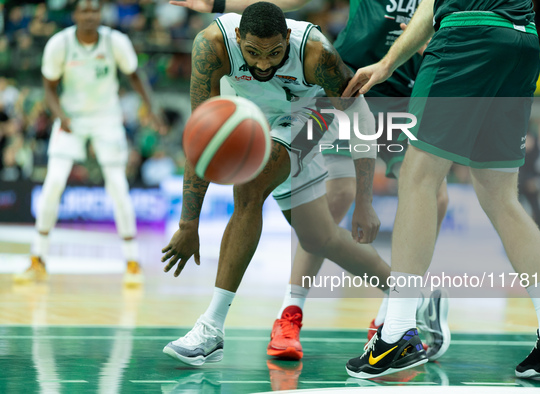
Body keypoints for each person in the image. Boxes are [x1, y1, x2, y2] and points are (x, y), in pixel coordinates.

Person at [170, 0, 450, 362]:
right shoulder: (211, 46)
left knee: (250, 188)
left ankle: (211, 328)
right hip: (256, 119)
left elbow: (360, 116)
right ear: (238, 38)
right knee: (322, 237)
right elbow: (200, 139)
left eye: (274, 53)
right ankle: (414, 296)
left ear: (287, 37)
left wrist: (364, 200)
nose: (263, 64)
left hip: (313, 112)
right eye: (253, 53)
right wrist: (188, 223)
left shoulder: (316, 53)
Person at [342, 0, 540, 379]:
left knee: (417, 176)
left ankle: (397, 332)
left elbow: (427, 8)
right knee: (501, 197)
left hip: (467, 35)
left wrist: (387, 63)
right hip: (522, 40)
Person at [14, 0, 163, 287]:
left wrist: (152, 108)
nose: (90, 15)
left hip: (107, 117)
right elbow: (48, 86)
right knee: (53, 183)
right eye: (84, 10)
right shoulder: (60, 44)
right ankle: (38, 259)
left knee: (118, 186)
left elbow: (135, 75)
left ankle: (132, 262)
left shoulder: (115, 42)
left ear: (101, 14)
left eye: (95, 10)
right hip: (71, 118)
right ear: (75, 15)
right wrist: (59, 116)